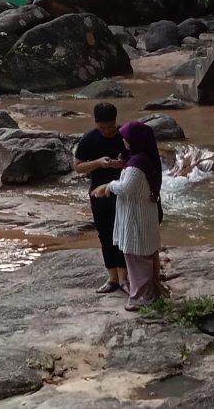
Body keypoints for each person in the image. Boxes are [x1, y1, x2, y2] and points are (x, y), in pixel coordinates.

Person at [91, 120, 163, 311]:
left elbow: (126, 187)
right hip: (145, 213)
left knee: (137, 258)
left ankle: (141, 298)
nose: (124, 142)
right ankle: (154, 293)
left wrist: (108, 186)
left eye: (126, 139)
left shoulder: (136, 166)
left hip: (136, 217)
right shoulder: (147, 158)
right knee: (148, 257)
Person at [73, 103, 129, 294]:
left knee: (122, 234)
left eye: (110, 127)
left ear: (116, 121)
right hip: (97, 193)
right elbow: (78, 166)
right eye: (102, 128)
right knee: (104, 234)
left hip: (123, 192)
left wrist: (122, 165)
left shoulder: (125, 135)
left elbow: (138, 161)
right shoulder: (90, 138)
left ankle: (124, 278)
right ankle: (112, 277)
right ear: (96, 123)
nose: (106, 131)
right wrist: (98, 163)